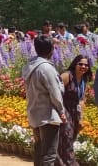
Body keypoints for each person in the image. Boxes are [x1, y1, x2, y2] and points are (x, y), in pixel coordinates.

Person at [22, 35, 65, 166]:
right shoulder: (46, 68)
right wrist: (61, 111)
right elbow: (55, 93)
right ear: (51, 49)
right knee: (49, 155)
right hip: (49, 115)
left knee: (39, 151)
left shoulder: (30, 66)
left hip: (35, 113)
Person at [58, 55, 92, 166]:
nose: (83, 67)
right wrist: (60, 112)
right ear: (75, 64)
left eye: (86, 65)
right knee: (67, 139)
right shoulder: (67, 76)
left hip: (74, 112)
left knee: (71, 139)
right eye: (80, 64)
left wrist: (81, 117)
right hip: (63, 110)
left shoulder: (84, 79)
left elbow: (81, 100)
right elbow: (55, 93)